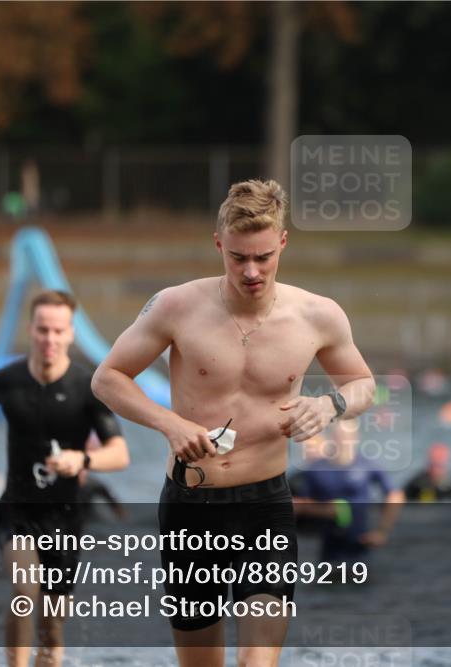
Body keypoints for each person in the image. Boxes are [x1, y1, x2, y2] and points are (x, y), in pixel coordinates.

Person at [92, 179, 376, 667]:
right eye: (238, 257)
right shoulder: (176, 306)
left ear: (282, 243)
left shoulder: (317, 315)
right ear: (218, 244)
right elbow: (108, 377)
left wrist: (329, 406)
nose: (251, 271)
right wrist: (170, 424)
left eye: (263, 257)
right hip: (190, 506)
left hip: (265, 504)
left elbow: (365, 385)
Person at [0, 290, 130, 667]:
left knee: (52, 625)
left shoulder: (88, 388)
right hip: (18, 509)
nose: (49, 339)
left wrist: (82, 458)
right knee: (25, 590)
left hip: (66, 517)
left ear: (71, 333)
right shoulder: (7, 380)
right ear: (31, 330)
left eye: (58, 331)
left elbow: (120, 454)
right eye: (42, 330)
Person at [291, 419, 404, 563]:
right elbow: (299, 505)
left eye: (347, 436)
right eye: (339, 435)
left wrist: (382, 531)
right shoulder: (316, 468)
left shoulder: (367, 465)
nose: (343, 440)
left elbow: (395, 495)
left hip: (361, 546)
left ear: (356, 437)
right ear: (332, 437)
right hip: (326, 548)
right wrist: (324, 510)